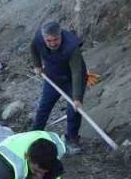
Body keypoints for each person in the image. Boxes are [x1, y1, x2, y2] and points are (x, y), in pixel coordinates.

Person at [29, 19, 98, 153]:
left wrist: (77, 98)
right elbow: (33, 48)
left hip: (72, 79)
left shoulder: (71, 47)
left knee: (74, 110)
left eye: (56, 39)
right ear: (44, 38)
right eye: (49, 41)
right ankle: (34, 136)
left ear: (60, 35)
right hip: (52, 77)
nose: (52, 43)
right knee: (44, 107)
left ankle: (71, 139)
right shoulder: (39, 39)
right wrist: (37, 65)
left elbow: (77, 73)